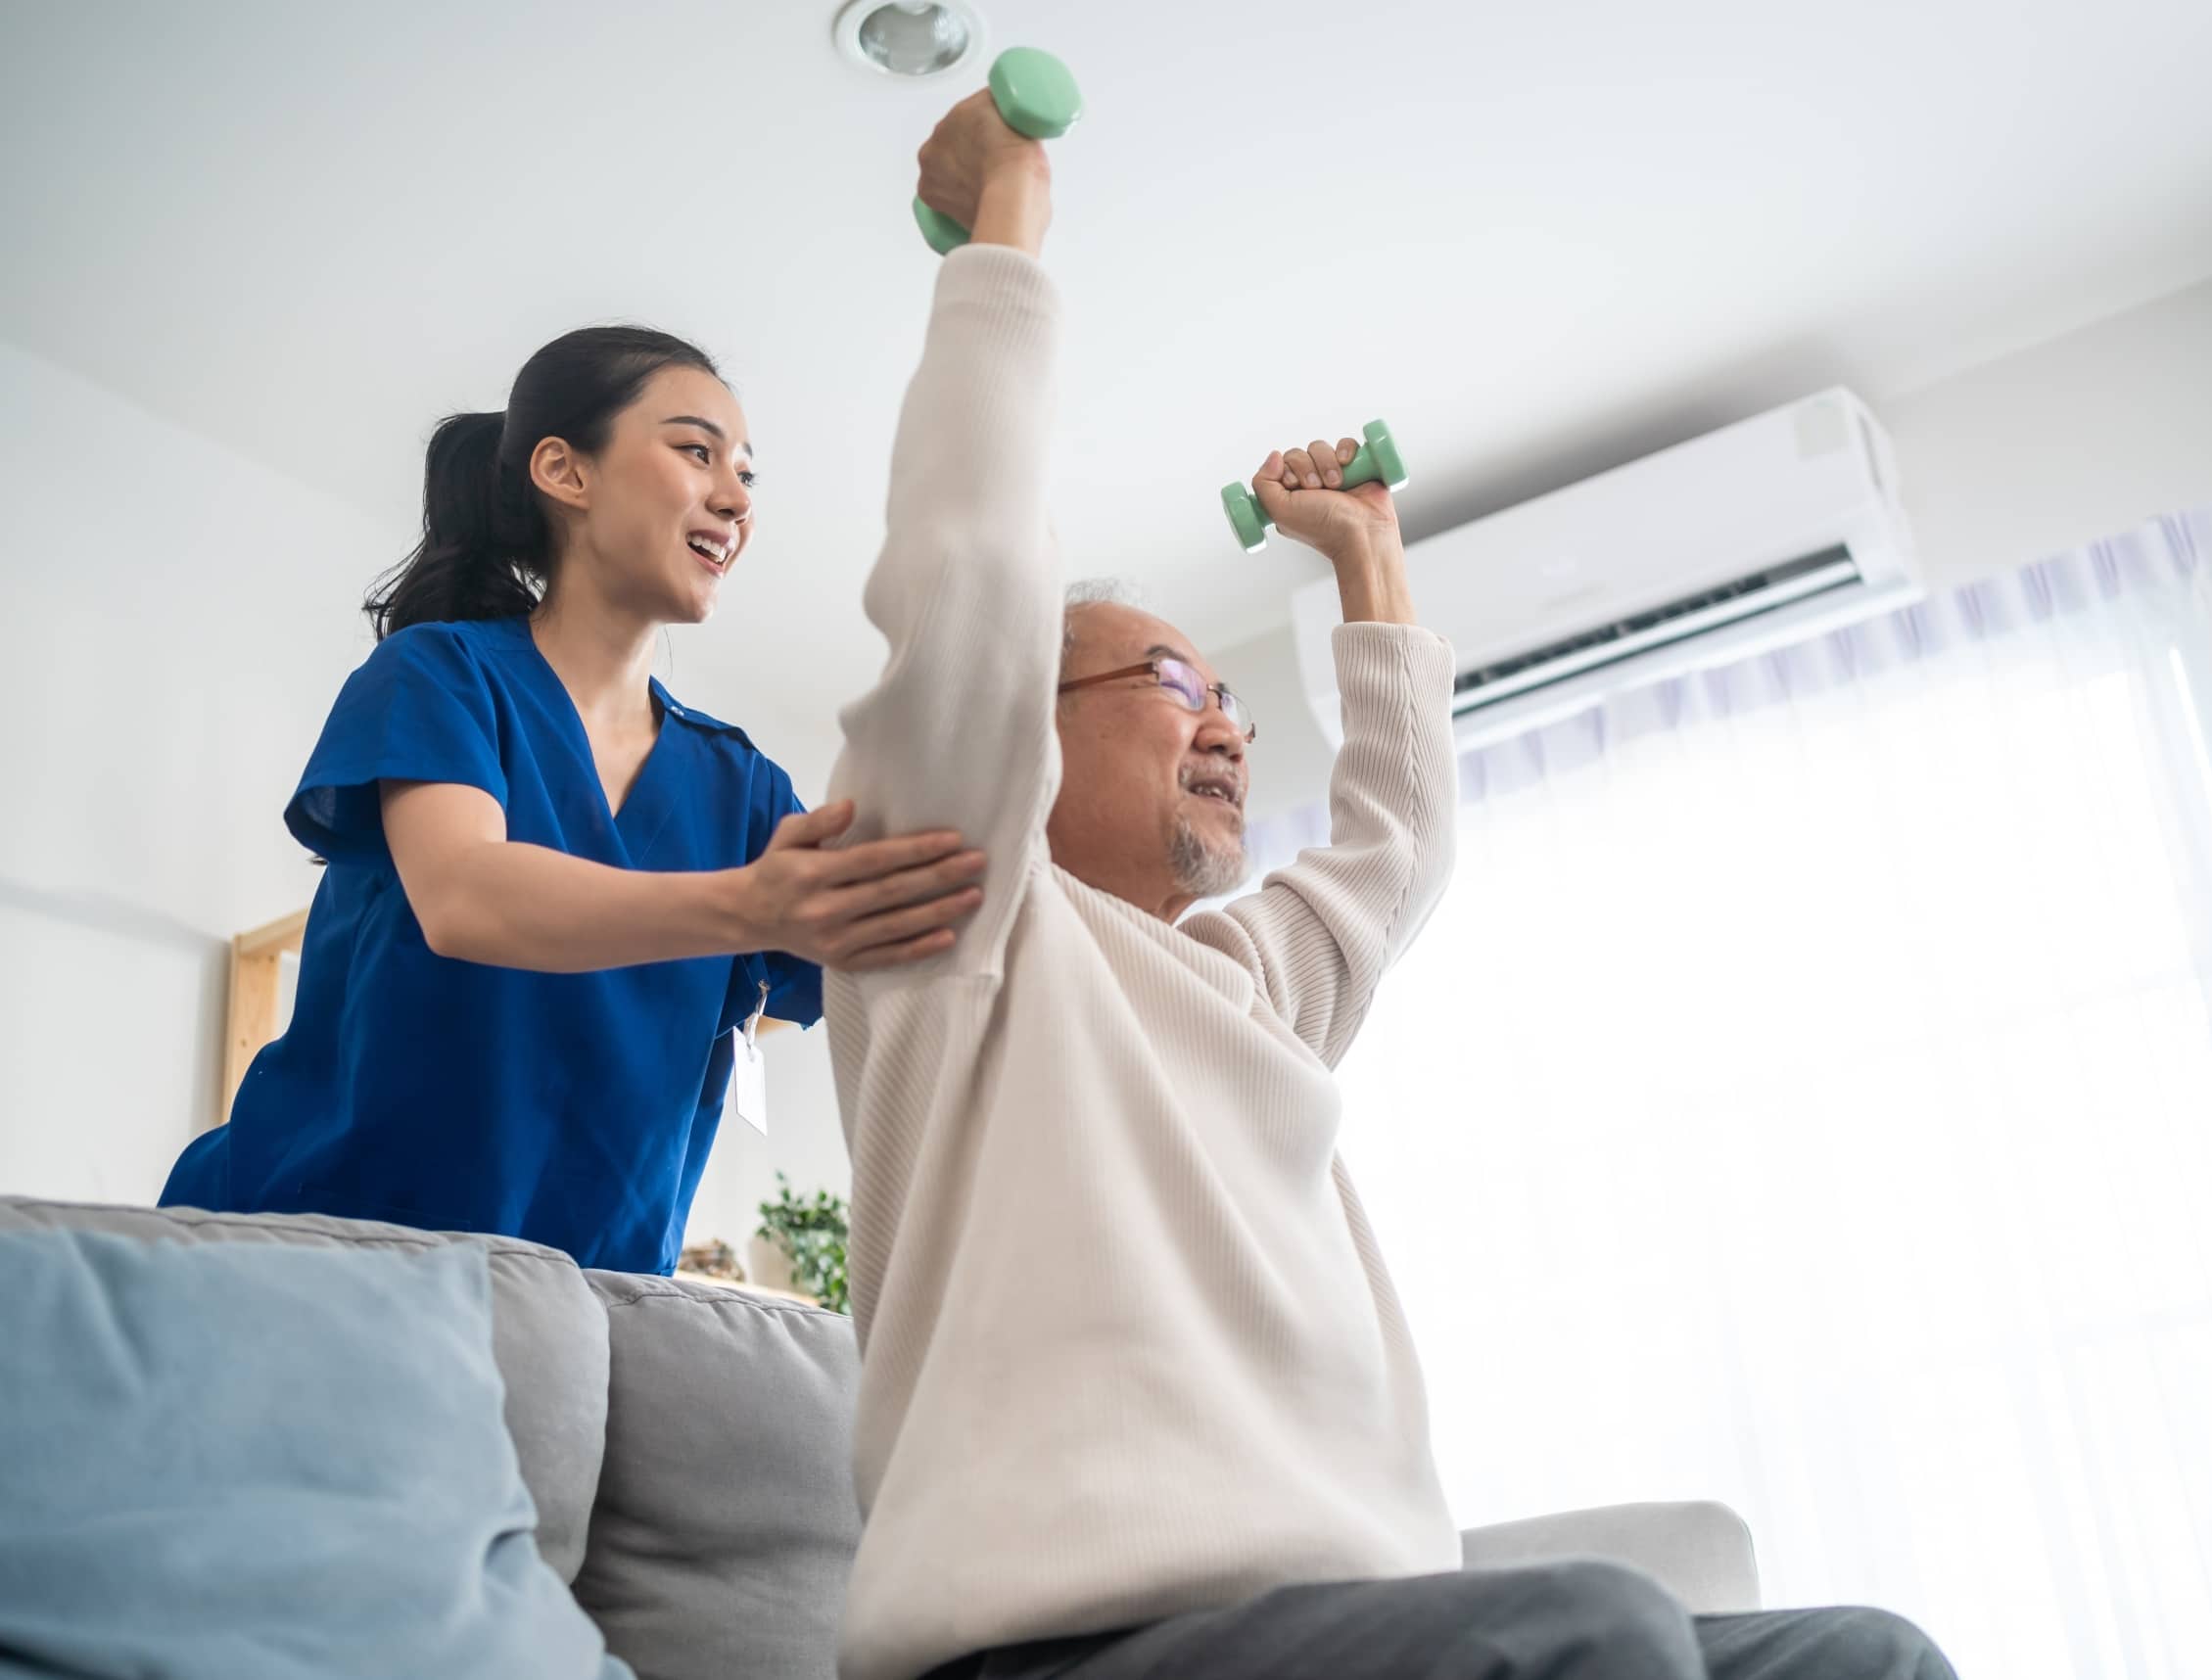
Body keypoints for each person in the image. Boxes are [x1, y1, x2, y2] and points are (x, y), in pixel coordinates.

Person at [818, 95, 1961, 1680]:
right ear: (1019, 721)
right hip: (1055, 1653)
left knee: (1858, 1654)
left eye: (1233, 697)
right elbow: (964, 587)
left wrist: (1363, 551)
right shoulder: (943, 927)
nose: (1224, 722)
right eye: (1169, 680)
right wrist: (1002, 247)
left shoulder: (1246, 983)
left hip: (1339, 1630)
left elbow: (1394, 841)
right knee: (1603, 1623)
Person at [159, 326, 986, 1274]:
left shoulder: (745, 790)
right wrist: (748, 905)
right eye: (696, 451)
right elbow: (465, 894)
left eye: (747, 475)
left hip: (582, 1304)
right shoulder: (441, 676)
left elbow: (817, 986)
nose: (734, 498)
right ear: (564, 471)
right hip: (310, 1254)